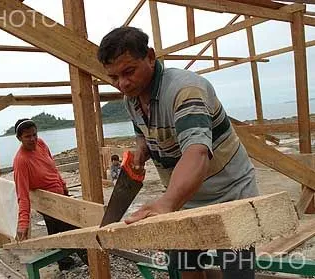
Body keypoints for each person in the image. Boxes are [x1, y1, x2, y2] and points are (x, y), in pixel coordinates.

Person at [97, 27, 259, 279]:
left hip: (231, 195)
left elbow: (197, 153)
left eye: (128, 72)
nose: (122, 83)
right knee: (186, 268)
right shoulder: (132, 99)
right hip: (185, 200)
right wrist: (141, 153)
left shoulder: (185, 90)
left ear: (150, 57)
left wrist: (166, 203)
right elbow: (144, 134)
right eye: (114, 77)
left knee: (237, 272)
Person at [13, 118, 88, 271]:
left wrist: (63, 184)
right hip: (46, 201)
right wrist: (23, 223)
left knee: (54, 231)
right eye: (28, 136)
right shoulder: (21, 161)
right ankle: (92, 261)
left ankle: (64, 263)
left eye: (34, 134)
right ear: (19, 138)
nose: (33, 139)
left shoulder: (41, 144)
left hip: (59, 196)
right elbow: (22, 195)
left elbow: (52, 167)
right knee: (74, 230)